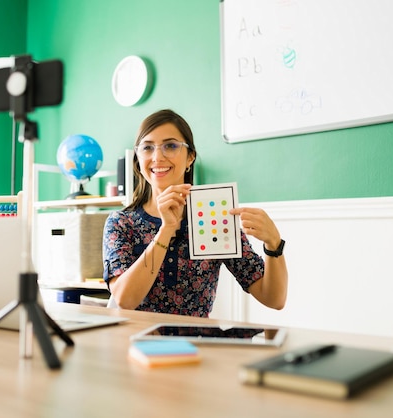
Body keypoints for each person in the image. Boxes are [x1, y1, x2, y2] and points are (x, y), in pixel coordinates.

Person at [102, 109, 288, 317]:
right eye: (147, 148)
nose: (157, 157)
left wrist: (274, 244)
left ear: (190, 157)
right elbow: (125, 300)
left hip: (195, 345)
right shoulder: (121, 223)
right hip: (137, 344)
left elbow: (274, 299)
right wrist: (166, 229)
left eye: (170, 146)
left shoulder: (213, 216)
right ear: (137, 158)